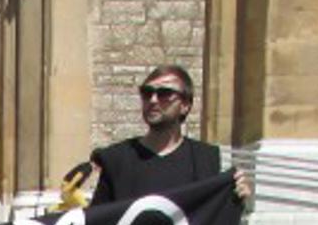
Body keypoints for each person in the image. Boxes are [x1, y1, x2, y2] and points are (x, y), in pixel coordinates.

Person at [90, 65, 252, 206]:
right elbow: (98, 222)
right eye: (147, 93)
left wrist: (235, 200)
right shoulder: (117, 160)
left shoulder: (206, 160)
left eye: (164, 93)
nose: (153, 100)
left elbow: (213, 219)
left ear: (185, 105)